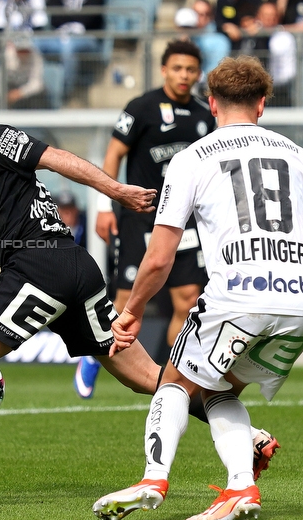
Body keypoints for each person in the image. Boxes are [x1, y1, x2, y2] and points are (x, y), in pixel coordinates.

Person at [0, 74, 280, 505]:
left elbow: (55, 158)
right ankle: (250, 436)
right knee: (150, 378)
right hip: (72, 270)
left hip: (39, 265)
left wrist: (115, 192)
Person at [93, 55, 303, 520]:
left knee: (174, 381)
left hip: (239, 295)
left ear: (212, 103)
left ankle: (154, 478)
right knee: (220, 390)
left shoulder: (191, 158)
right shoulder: (299, 156)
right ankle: (239, 487)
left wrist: (132, 309)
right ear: (262, 104)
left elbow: (160, 256)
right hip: (302, 304)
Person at [77, 41, 212, 399]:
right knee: (125, 300)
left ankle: (171, 377)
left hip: (184, 220)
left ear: (198, 73)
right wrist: (105, 206)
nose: (184, 75)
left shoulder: (205, 114)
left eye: (191, 69)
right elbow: (113, 155)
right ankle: (93, 354)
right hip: (141, 216)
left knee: (188, 299)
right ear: (164, 70)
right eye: (177, 68)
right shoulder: (140, 107)